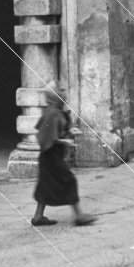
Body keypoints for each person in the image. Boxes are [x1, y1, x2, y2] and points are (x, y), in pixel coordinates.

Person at [31, 82, 95, 227]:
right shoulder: (50, 114)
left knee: (45, 185)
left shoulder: (58, 112)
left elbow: (59, 128)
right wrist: (64, 142)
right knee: (69, 180)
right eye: (60, 92)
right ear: (55, 96)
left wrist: (70, 131)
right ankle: (79, 216)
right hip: (50, 156)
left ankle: (38, 217)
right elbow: (46, 137)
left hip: (53, 155)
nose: (64, 94)